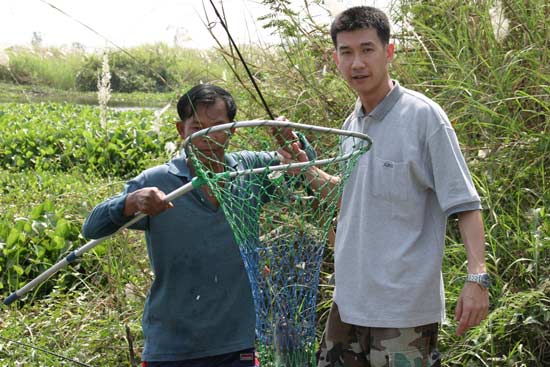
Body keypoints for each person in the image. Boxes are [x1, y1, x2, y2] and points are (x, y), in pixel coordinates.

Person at [278, 6, 490, 366]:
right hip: (348, 304)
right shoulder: (351, 125)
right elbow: (351, 198)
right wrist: (308, 171)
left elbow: (465, 204)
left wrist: (477, 278)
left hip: (402, 312)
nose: (357, 62)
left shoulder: (424, 117)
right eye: (346, 52)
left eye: (367, 49)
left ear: (388, 52)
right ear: (336, 58)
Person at [82, 84, 308, 367]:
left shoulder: (250, 171)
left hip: (237, 344)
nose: (207, 137)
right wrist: (131, 202)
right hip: (172, 347)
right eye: (197, 127)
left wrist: (291, 139)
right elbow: (92, 227)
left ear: (233, 129)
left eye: (217, 127)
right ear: (181, 130)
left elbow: (301, 169)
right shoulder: (159, 181)